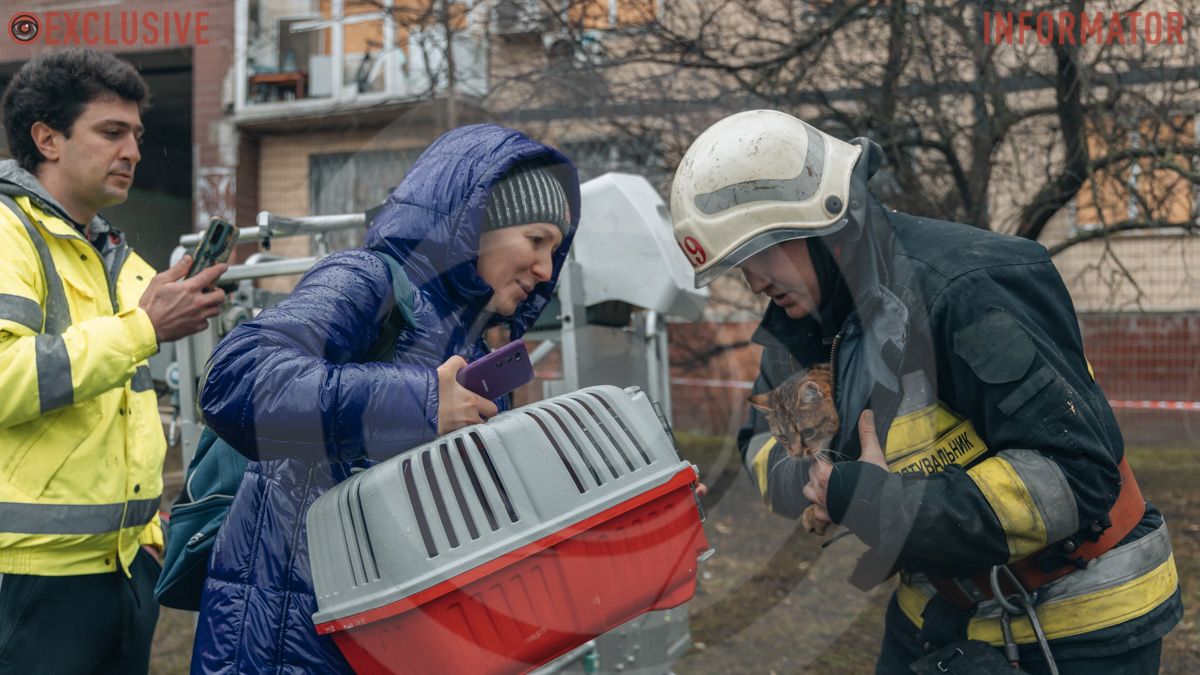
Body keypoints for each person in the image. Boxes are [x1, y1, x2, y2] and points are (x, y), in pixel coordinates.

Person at [669, 110, 1180, 674]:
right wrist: (821, 483)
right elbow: (760, 442)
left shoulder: (965, 289)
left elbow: (1073, 476)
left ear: (823, 223)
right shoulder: (805, 326)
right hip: (937, 609)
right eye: (739, 266)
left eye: (761, 253)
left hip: (1075, 620)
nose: (754, 282)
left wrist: (876, 503)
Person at [192, 124, 579, 673]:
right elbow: (237, 378)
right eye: (535, 240)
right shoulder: (366, 280)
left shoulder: (476, 348)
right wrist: (422, 404)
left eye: (554, 251)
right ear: (475, 222)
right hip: (292, 645)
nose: (545, 271)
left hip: (396, 640)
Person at [0, 49, 227, 674]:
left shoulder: (126, 263)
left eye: (136, 135)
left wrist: (146, 529)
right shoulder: (6, 234)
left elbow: (123, 411)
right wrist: (145, 327)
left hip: (125, 570)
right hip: (31, 577)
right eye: (110, 132)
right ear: (46, 138)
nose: (131, 150)